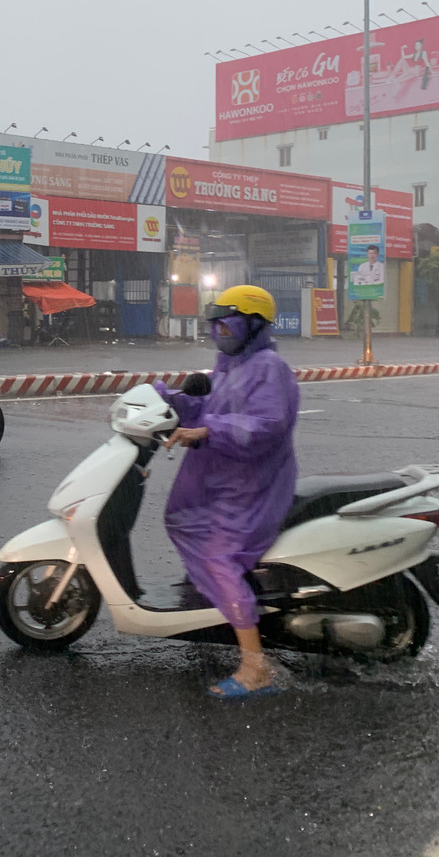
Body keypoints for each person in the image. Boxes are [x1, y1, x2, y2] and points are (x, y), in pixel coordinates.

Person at [154, 285, 299, 699]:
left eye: (227, 320)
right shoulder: (231, 365)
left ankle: (256, 668)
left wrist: (205, 431)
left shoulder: (269, 367)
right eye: (214, 321)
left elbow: (266, 425)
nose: (218, 328)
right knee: (183, 521)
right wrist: (168, 399)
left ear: (253, 324)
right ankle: (217, 613)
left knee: (218, 555)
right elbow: (210, 403)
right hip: (226, 480)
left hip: (253, 486)